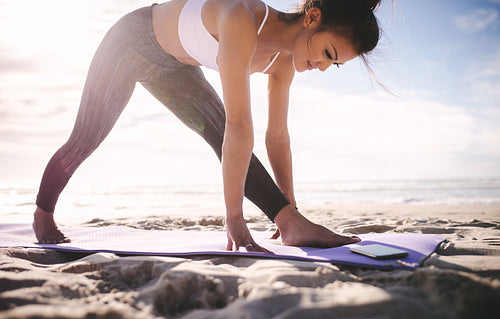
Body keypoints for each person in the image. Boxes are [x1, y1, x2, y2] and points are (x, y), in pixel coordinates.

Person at [33, 0, 383, 251]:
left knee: (218, 133)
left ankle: (290, 225)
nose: (322, 66)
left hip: (174, 67)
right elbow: (240, 127)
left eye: (333, 65)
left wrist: (291, 209)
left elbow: (277, 136)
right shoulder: (241, 18)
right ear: (312, 18)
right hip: (130, 42)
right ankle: (43, 212)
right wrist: (233, 216)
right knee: (85, 139)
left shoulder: (284, 62)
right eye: (328, 53)